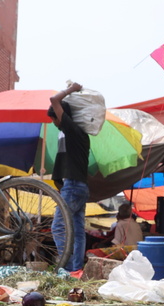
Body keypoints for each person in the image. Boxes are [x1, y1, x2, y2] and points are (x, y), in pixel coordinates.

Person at [49, 83, 90, 274]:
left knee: (58, 227)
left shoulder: (72, 130)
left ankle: (66, 268)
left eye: (54, 119)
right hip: (79, 186)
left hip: (73, 187)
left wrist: (71, 89)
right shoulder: (73, 134)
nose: (53, 123)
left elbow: (54, 100)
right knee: (78, 231)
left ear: (61, 116)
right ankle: (77, 270)